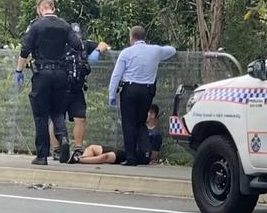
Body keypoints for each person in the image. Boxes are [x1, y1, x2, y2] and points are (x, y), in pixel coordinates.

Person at [15, 0, 83, 165]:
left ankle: (42, 155)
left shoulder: (36, 25)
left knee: (40, 114)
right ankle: (64, 138)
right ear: (53, 8)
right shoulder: (65, 25)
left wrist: (19, 70)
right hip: (61, 74)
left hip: (42, 74)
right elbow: (77, 45)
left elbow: (25, 49)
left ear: (40, 9)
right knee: (58, 110)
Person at [108, 26, 176, 166]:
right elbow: (172, 50)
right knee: (140, 123)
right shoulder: (156, 50)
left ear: (131, 38)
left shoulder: (126, 53)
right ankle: (146, 154)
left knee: (128, 124)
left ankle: (131, 157)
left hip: (130, 90)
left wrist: (112, 94)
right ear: (144, 37)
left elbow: (116, 75)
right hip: (147, 91)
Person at [49, 24, 110, 161]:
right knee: (55, 119)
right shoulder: (58, 46)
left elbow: (103, 44)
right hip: (59, 88)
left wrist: (97, 52)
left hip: (76, 89)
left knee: (80, 118)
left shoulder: (84, 45)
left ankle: (78, 149)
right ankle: (57, 150)